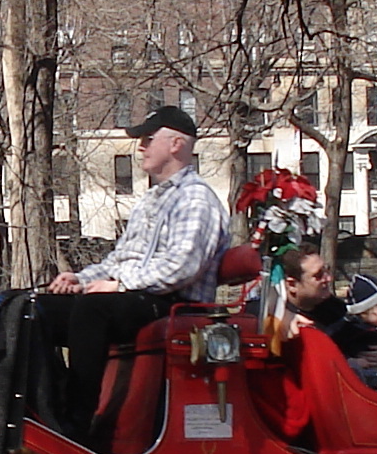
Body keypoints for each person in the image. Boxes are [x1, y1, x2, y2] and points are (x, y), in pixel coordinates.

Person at [38, 104, 232, 437]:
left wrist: (117, 287)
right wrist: (81, 279)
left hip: (172, 305)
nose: (140, 146)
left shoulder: (197, 199)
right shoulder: (151, 200)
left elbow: (180, 267)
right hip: (137, 297)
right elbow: (121, 259)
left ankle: (78, 422)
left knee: (93, 309)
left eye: (147, 138)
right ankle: (41, 409)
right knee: (34, 309)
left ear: (176, 144)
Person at [285, 248, 377, 391]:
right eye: (318, 275)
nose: (328, 278)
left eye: (327, 270)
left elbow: (373, 341)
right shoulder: (279, 320)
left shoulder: (337, 310)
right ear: (292, 284)